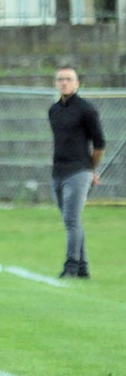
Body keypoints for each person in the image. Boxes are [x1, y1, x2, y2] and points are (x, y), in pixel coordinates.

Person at [48, 65, 105, 279]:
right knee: (69, 220)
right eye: (60, 79)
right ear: (56, 83)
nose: (64, 82)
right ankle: (83, 268)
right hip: (58, 171)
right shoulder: (54, 110)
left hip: (79, 171)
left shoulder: (86, 109)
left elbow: (99, 143)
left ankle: (71, 266)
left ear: (76, 83)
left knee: (72, 220)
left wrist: (91, 169)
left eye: (68, 79)